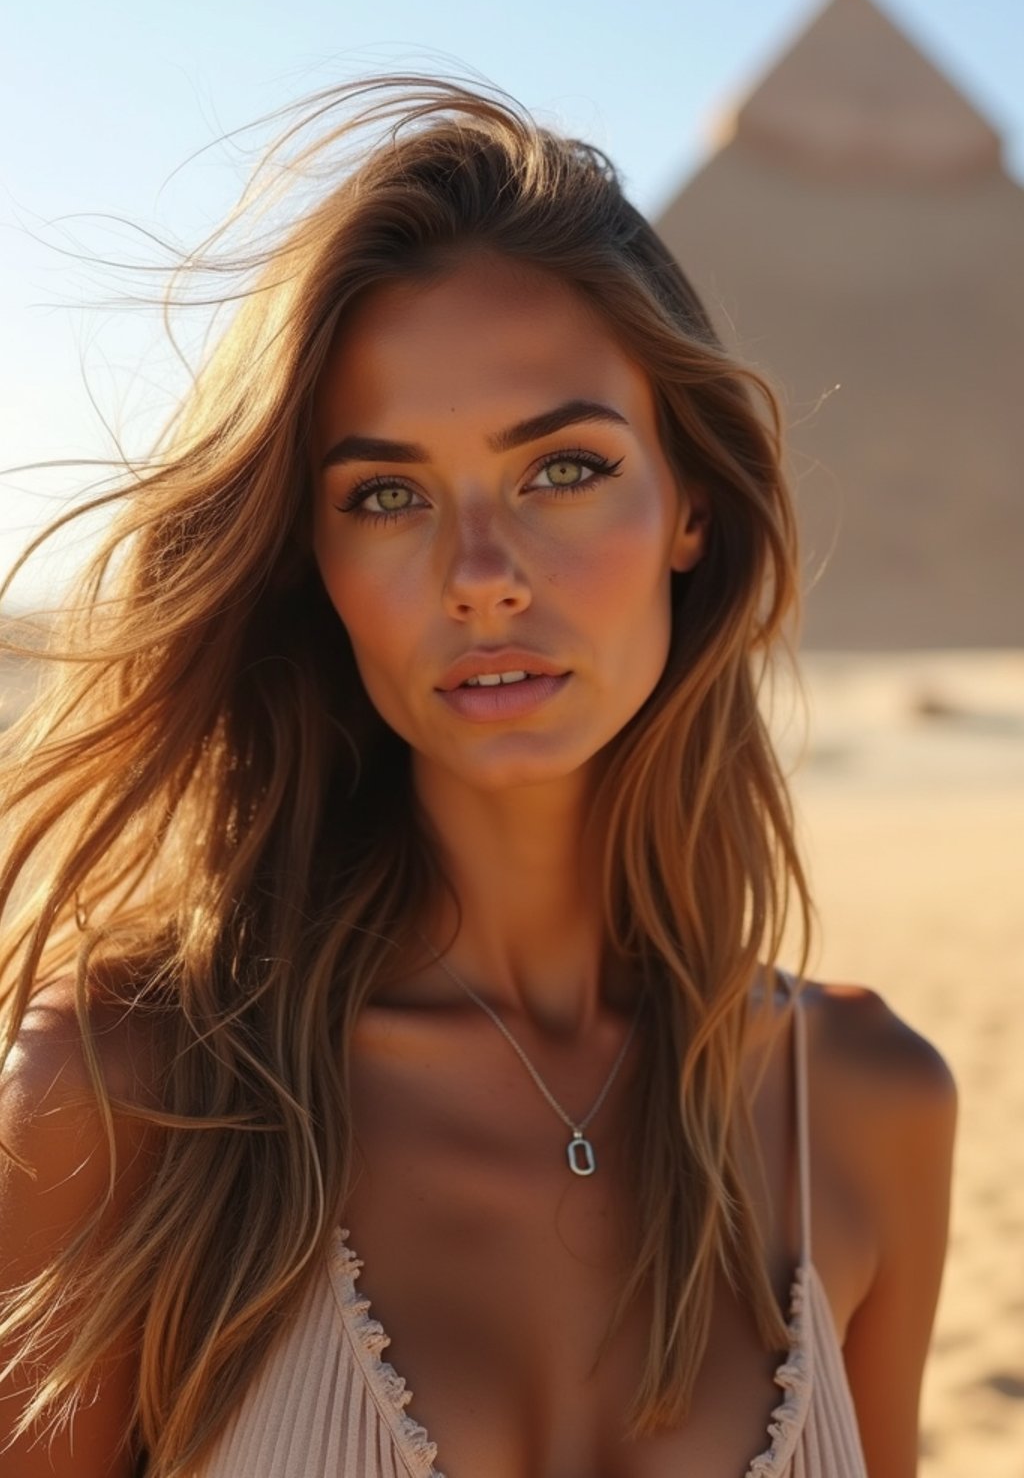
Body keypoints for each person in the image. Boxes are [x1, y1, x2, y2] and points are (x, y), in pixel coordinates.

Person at [0, 76, 956, 1478]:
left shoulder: (865, 1108)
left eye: (561, 469)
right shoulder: (134, 1088)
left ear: (691, 504)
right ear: (309, 563)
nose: (482, 579)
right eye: (386, 495)